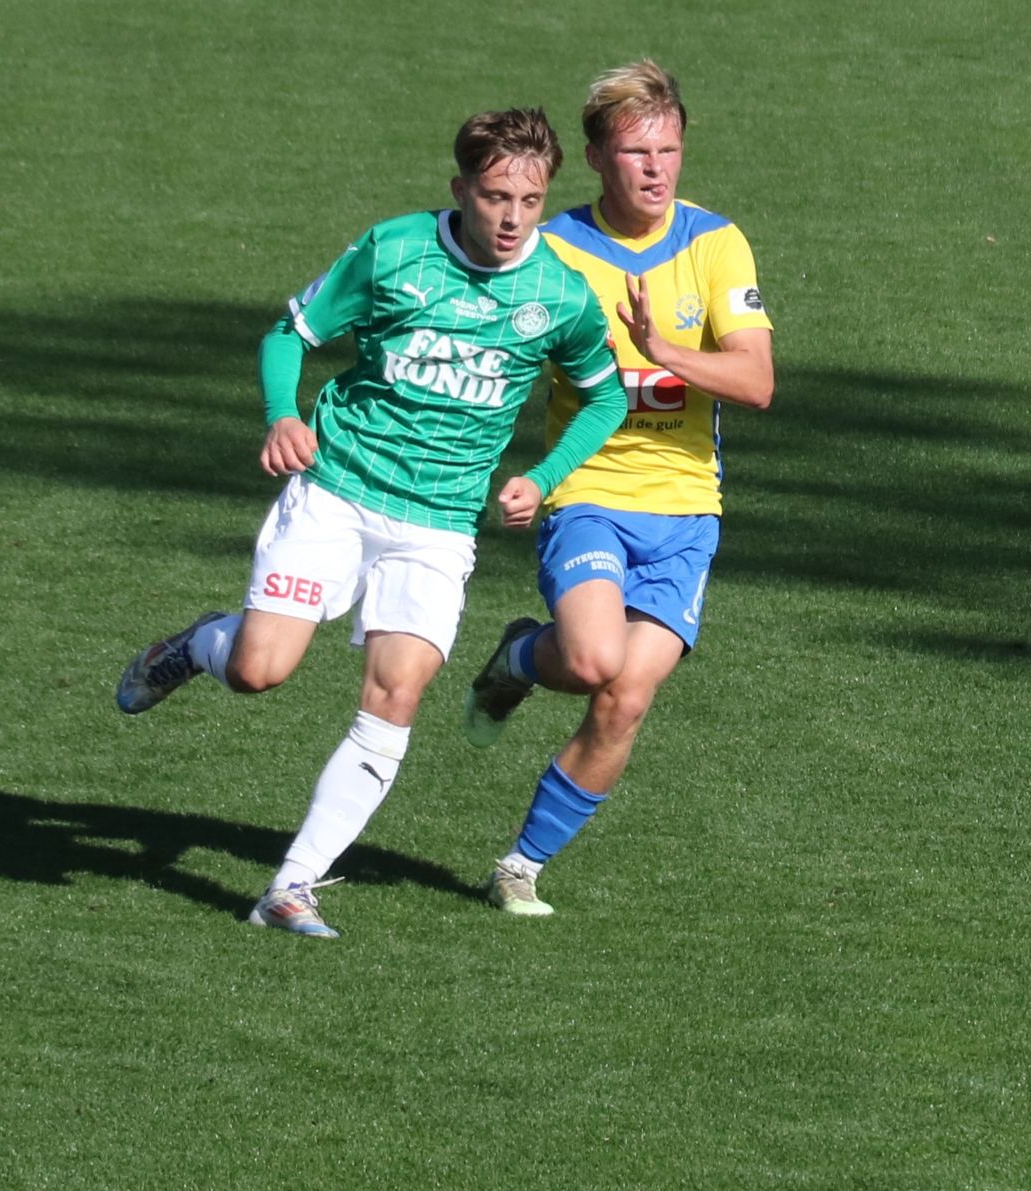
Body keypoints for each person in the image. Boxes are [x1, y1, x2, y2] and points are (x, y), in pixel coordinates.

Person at [115, 107, 626, 940]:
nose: (510, 218)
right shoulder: (394, 251)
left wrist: (543, 475)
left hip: (438, 525)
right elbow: (292, 332)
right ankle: (197, 645)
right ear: (461, 188)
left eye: (529, 201)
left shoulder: (560, 294)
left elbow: (604, 393)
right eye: (495, 196)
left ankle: (291, 886)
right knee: (258, 672)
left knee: (396, 694)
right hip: (338, 491)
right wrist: (284, 415)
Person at [462, 61, 774, 916]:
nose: (657, 169)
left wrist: (662, 348)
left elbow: (755, 383)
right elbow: (496, 359)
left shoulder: (716, 243)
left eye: (669, 149)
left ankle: (519, 864)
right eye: (636, 151)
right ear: (597, 158)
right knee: (598, 660)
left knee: (625, 695)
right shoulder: (554, 250)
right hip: (590, 489)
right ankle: (525, 656)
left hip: (685, 510)